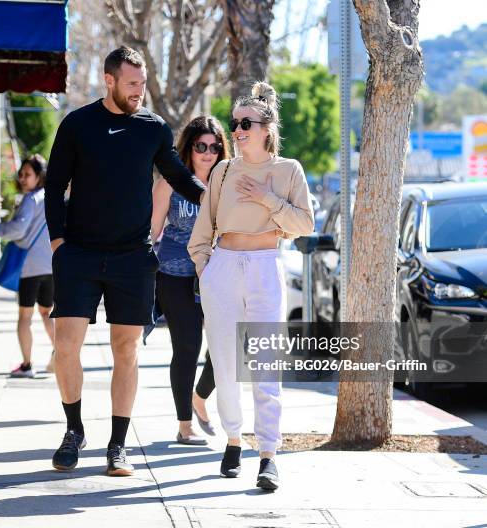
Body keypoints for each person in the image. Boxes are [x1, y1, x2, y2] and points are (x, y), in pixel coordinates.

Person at [45, 46, 205, 476]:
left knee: (127, 351)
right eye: (132, 83)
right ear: (109, 80)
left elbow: (177, 176)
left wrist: (214, 201)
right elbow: (55, 184)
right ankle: (74, 431)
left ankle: (118, 445)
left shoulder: (152, 129)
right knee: (65, 347)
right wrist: (59, 243)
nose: (140, 91)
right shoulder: (77, 124)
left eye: (143, 83)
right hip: (79, 253)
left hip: (133, 257)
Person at [188, 81, 314, 490]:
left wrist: (266, 198)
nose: (238, 130)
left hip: (264, 266)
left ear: (266, 128)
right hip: (222, 267)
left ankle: (268, 455)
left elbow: (303, 225)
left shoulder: (287, 170)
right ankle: (232, 440)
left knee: (264, 365)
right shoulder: (222, 171)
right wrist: (206, 267)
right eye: (235, 123)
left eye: (247, 123)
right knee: (224, 363)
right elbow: (202, 229)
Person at [151, 116, 230, 444]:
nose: (208, 152)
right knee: (187, 348)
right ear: (190, 147)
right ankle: (185, 425)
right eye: (201, 146)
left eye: (215, 147)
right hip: (176, 275)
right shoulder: (170, 182)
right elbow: (152, 231)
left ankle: (199, 396)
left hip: (218, 276)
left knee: (225, 349)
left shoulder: (228, 184)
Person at [0, 155, 54, 378]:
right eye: (21, 174)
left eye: (27, 174)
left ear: (39, 176)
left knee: (25, 316)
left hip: (30, 267)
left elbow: (19, 231)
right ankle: (60, 355)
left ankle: (26, 365)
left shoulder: (31, 199)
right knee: (47, 312)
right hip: (50, 265)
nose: (22, 178)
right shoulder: (52, 197)